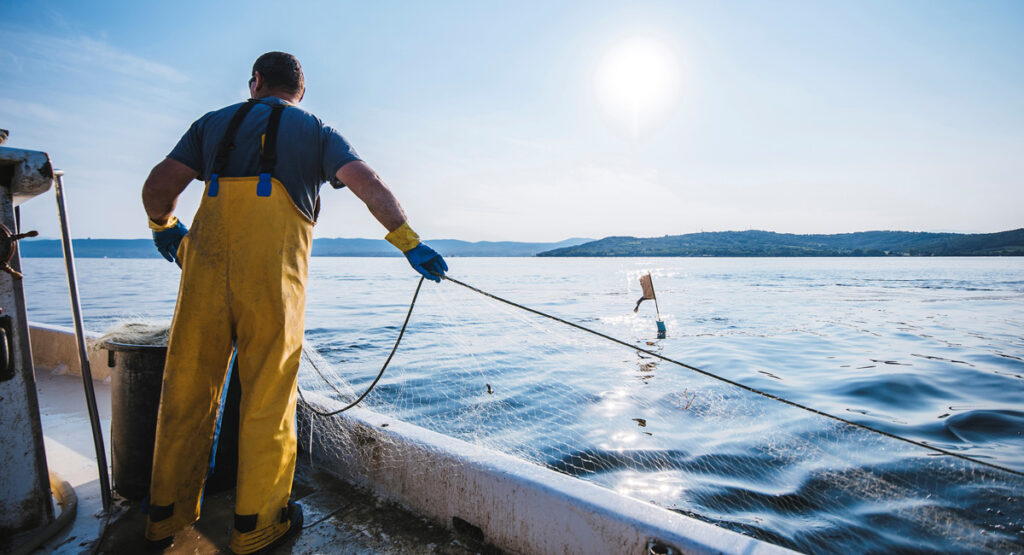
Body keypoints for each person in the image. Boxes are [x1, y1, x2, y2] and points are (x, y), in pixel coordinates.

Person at [141, 51, 447, 554]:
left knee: (187, 389)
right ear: (299, 90)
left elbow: (158, 187)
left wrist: (165, 229)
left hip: (203, 273)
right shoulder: (317, 131)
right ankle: (258, 525)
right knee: (268, 396)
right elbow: (369, 184)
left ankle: (163, 517)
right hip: (273, 280)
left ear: (256, 82)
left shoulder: (211, 124)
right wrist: (409, 242)